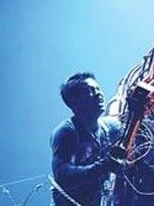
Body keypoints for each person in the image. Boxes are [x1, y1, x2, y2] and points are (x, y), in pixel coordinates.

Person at [50, 72, 122, 206]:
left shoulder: (110, 127)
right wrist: (101, 167)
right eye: (90, 90)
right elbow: (62, 174)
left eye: (98, 89)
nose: (98, 93)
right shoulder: (66, 132)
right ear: (75, 102)